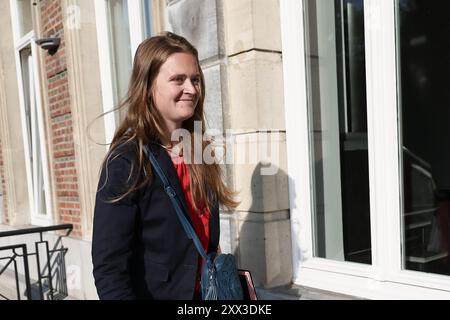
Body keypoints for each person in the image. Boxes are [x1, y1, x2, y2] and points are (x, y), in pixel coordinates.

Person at [91, 32, 238, 300]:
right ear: (148, 87)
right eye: (178, 80)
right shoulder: (127, 162)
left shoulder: (199, 153)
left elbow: (206, 241)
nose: (192, 89)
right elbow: (109, 269)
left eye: (195, 79)